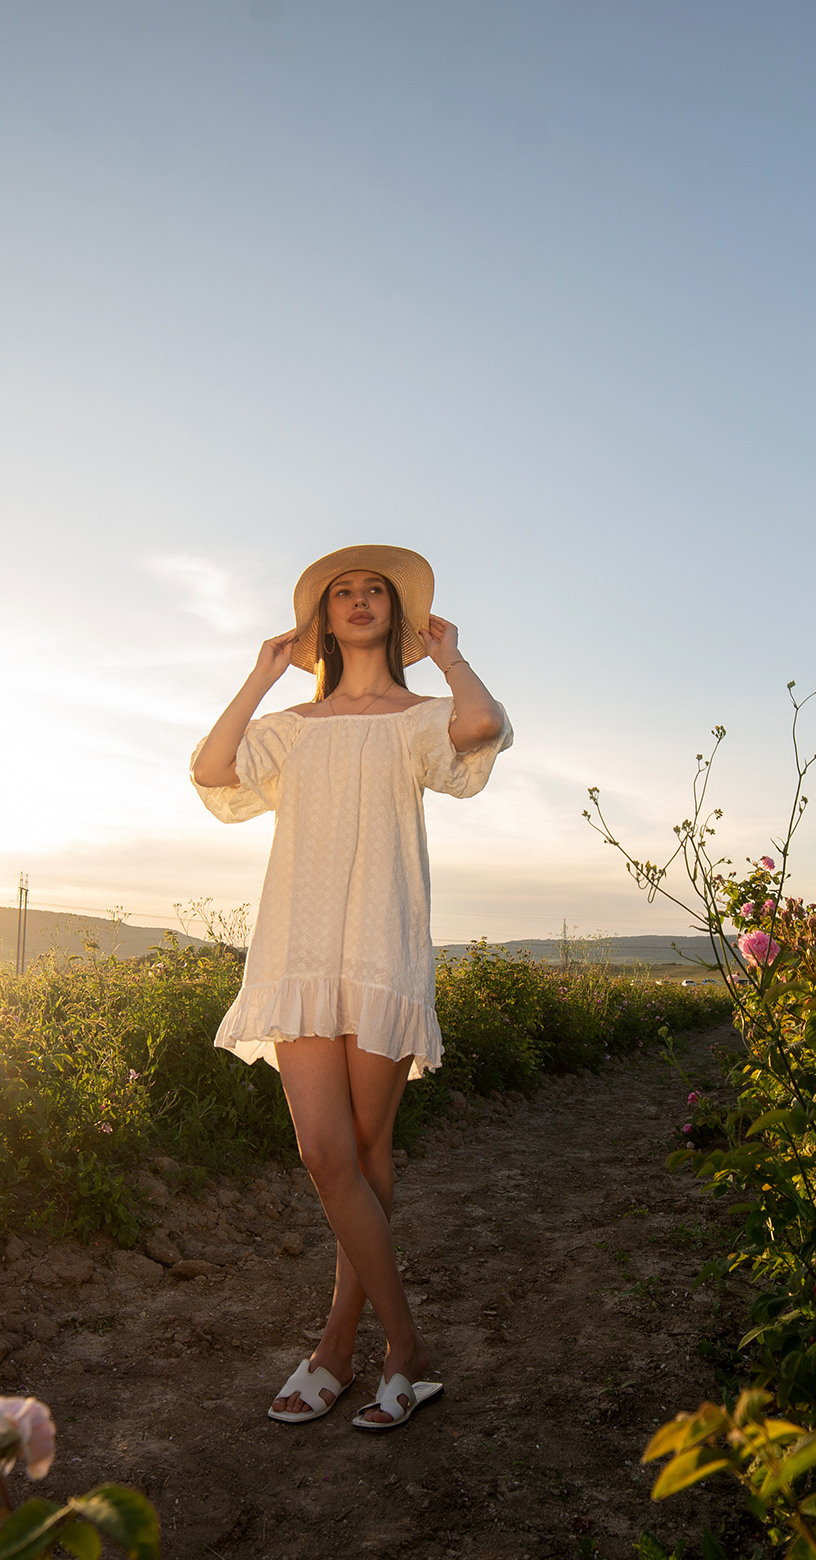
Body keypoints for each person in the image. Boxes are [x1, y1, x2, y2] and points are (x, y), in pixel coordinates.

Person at [188, 544, 511, 1430]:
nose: (360, 600)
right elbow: (212, 769)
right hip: (296, 949)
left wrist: (449, 656)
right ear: (323, 619)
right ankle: (405, 1345)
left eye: (376, 591)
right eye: (343, 592)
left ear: (395, 615)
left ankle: (336, 1351)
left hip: (380, 944)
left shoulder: (419, 718)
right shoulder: (292, 726)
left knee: (367, 1153)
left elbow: (481, 726)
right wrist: (262, 674)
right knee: (329, 1156)